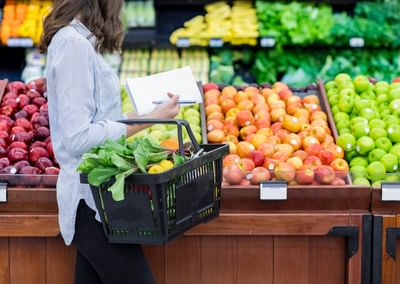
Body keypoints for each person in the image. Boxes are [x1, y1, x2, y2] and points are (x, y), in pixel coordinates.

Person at [39, 0, 180, 283]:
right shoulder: (73, 46)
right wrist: (147, 122)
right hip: (90, 203)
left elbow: (101, 118)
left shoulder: (79, 42)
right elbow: (79, 136)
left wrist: (151, 113)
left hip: (102, 200)